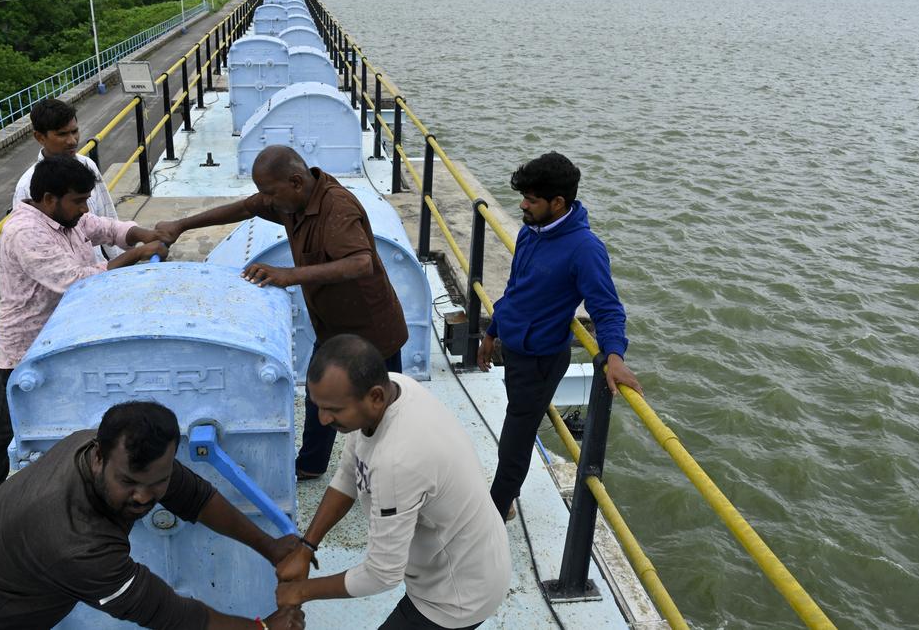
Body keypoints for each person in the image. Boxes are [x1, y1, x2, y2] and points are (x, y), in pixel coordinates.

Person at [0, 401, 306, 630]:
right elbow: (168, 613)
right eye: (130, 482)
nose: (144, 497)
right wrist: (264, 628)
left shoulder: (94, 443)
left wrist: (270, 547)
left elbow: (193, 495)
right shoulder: (76, 545)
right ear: (99, 458)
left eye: (156, 482)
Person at [155, 145, 408, 481]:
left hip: (373, 329)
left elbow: (360, 262)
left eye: (270, 193)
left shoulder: (336, 208)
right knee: (320, 394)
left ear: (296, 182)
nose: (267, 200)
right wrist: (181, 225)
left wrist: (289, 274)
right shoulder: (288, 200)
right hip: (331, 326)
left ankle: (395, 471)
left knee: (384, 407)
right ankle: (311, 465)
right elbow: (244, 208)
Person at [273, 335, 510, 630]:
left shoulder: (398, 462)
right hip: (454, 562)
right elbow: (350, 471)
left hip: (458, 593)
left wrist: (300, 592)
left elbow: (382, 574)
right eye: (318, 406)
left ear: (375, 397)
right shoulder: (396, 385)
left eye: (333, 410)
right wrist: (306, 548)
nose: (322, 419)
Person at [0, 155, 172, 498]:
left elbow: (104, 227)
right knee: (3, 427)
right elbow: (74, 281)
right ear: (49, 199)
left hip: (70, 337)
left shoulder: (68, 219)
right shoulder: (24, 232)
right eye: (78, 201)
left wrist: (142, 233)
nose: (85, 209)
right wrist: (137, 255)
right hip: (29, 348)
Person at [477, 151, 643, 520]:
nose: (522, 205)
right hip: (514, 349)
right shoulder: (530, 232)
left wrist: (614, 355)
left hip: (541, 360)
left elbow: (608, 308)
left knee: (516, 438)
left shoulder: (585, 249)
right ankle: (501, 502)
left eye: (531, 200)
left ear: (558, 203)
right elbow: (515, 289)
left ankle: (496, 508)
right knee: (514, 425)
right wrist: (492, 332)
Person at [13, 98, 122, 262]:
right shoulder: (28, 186)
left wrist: (122, 267)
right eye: (62, 134)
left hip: (99, 271)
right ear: (40, 137)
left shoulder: (87, 165)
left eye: (74, 131)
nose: (72, 141)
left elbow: (106, 215)